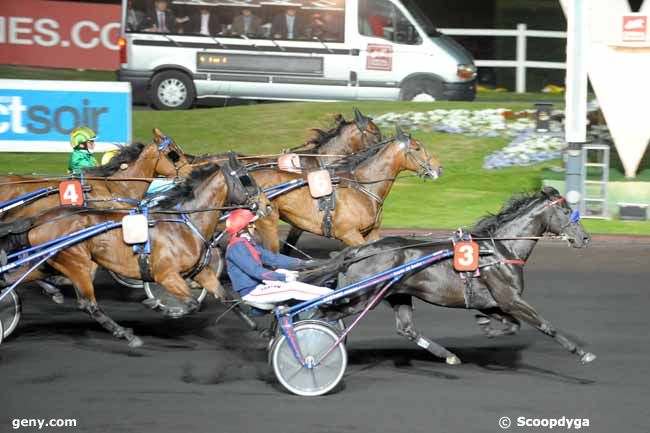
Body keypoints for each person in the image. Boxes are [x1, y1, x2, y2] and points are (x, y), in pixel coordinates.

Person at [225, 209, 331, 310]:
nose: (254, 227)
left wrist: (304, 263)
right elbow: (256, 271)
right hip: (252, 291)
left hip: (259, 285)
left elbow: (274, 259)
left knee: (291, 277)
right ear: (243, 228)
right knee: (292, 288)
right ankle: (330, 296)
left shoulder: (247, 244)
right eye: (251, 224)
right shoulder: (237, 247)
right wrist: (282, 277)